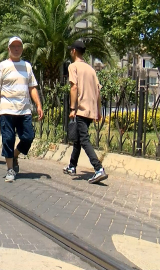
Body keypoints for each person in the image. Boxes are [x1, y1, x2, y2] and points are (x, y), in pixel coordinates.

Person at [0, 36, 44, 182]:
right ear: (8, 49)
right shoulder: (1, 66)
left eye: (19, 46)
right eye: (13, 46)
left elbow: (32, 87)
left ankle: (15, 155)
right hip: (7, 110)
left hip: (24, 110)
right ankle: (10, 169)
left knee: (28, 136)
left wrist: (39, 105)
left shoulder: (27, 66)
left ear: (22, 49)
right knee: (8, 139)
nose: (16, 49)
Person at [63, 40, 108, 184]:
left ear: (74, 51)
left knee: (83, 139)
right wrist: (98, 111)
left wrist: (72, 108)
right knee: (78, 138)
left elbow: (74, 87)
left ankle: (98, 168)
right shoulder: (91, 69)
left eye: (71, 50)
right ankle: (72, 166)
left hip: (81, 109)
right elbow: (98, 92)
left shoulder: (73, 66)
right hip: (91, 110)